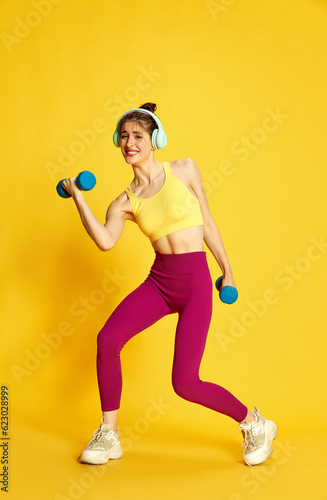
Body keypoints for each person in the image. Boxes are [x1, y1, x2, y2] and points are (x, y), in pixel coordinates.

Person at [61, 102, 277, 467]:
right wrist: (78, 199)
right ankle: (109, 435)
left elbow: (207, 220)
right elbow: (105, 241)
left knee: (185, 384)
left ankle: (255, 423)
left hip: (195, 283)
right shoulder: (124, 202)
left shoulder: (184, 169)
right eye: (125, 137)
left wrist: (228, 269)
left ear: (154, 140)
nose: (130, 143)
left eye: (138, 136)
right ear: (118, 141)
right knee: (108, 339)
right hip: (160, 283)